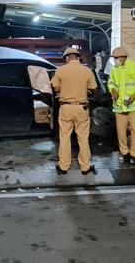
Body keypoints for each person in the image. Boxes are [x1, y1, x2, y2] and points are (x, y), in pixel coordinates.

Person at [51, 47, 98, 175]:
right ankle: (85, 167)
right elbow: (94, 88)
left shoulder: (60, 70)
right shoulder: (87, 70)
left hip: (66, 107)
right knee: (83, 138)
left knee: (65, 137)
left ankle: (64, 167)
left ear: (66, 58)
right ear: (78, 57)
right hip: (82, 107)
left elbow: (55, 88)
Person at [107, 47, 135, 166]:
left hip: (133, 106)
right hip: (120, 106)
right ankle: (124, 153)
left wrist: (134, 96)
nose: (115, 60)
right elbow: (111, 82)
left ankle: (134, 154)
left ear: (123, 57)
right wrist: (113, 90)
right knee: (120, 131)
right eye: (114, 58)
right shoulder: (115, 69)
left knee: (134, 130)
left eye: (116, 58)